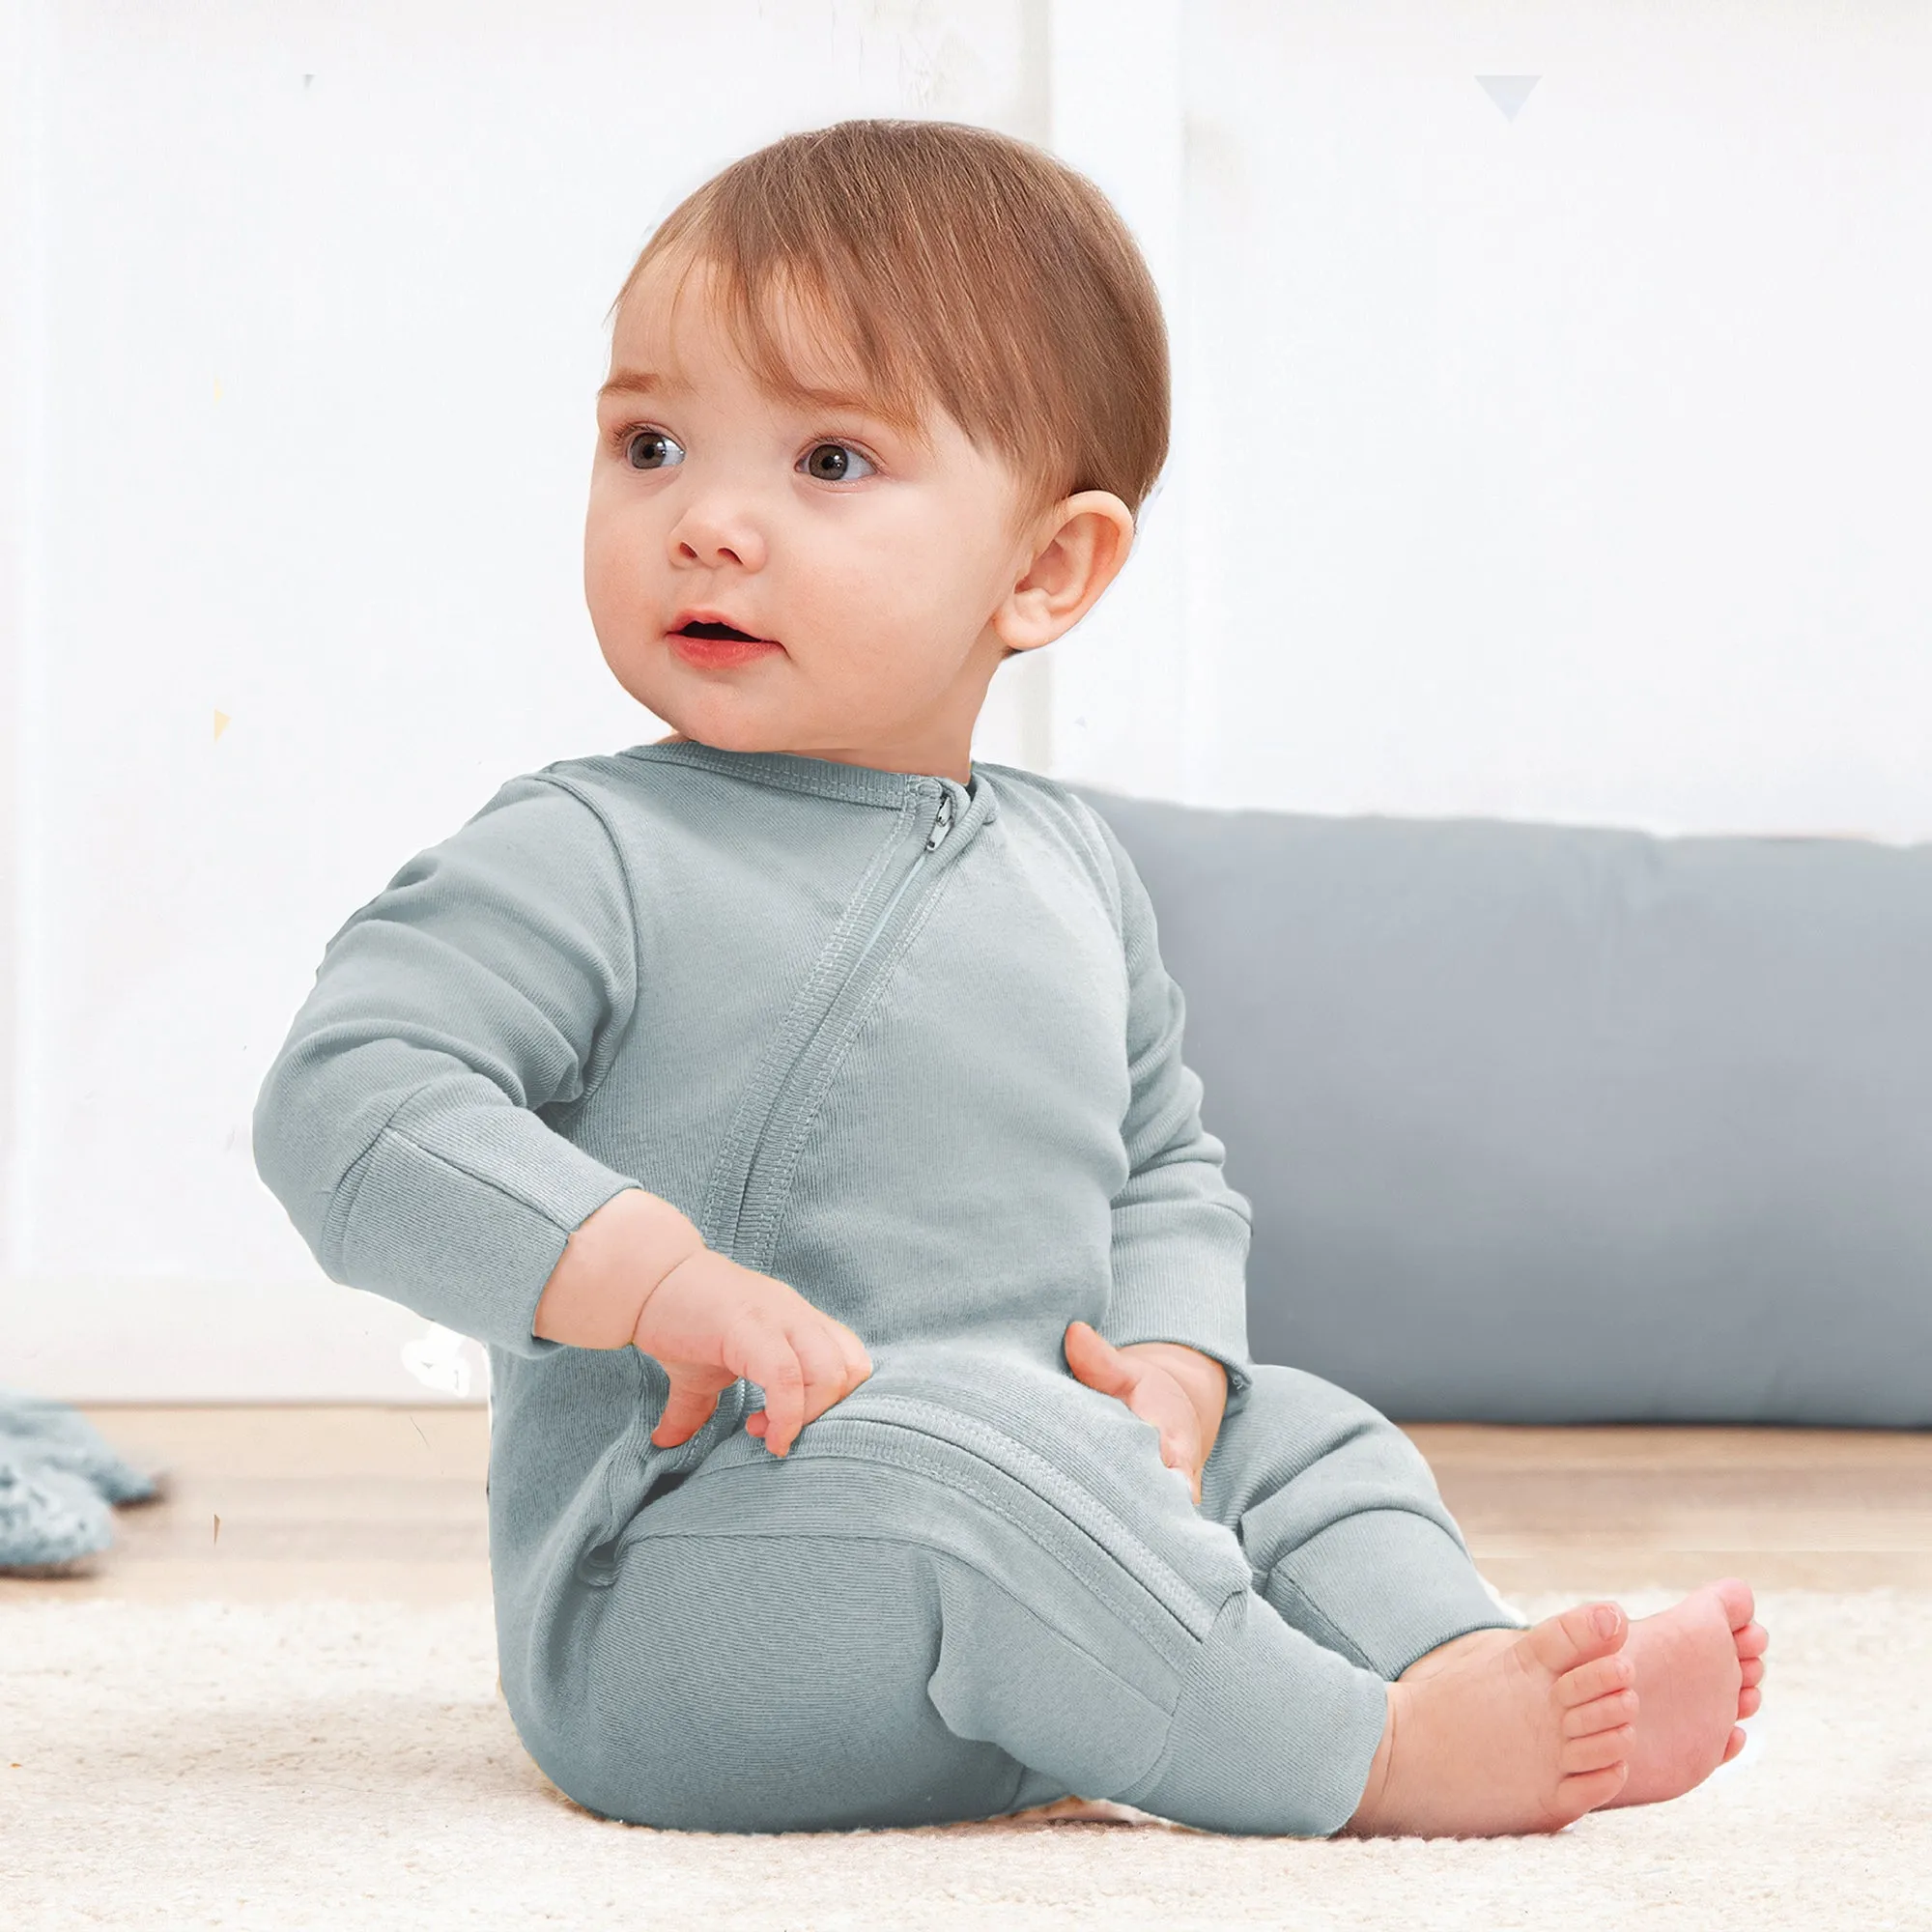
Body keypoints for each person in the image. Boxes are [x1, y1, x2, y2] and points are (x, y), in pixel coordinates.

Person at [252, 118, 1766, 1837]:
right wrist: (650, 1279)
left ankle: (1442, 1662)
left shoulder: (1067, 867)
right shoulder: (586, 850)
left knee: (1309, 1433)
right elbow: (351, 1101)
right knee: (970, 1453)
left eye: (828, 461)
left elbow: (1167, 1170)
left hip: (1058, 1546)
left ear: (1046, 567)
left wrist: (1178, 1364)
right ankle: (1364, 1763)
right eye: (651, 442)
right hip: (694, 1601)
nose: (709, 523)